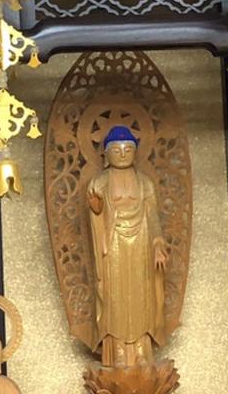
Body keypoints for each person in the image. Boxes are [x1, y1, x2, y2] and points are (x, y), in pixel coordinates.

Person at [86, 125, 170, 368]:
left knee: (142, 297)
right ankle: (119, 351)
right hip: (112, 245)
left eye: (127, 149)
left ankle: (143, 350)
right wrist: (96, 209)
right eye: (116, 149)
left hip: (141, 244)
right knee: (116, 298)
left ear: (135, 152)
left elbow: (152, 216)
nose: (122, 154)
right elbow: (97, 215)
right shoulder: (99, 182)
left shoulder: (145, 183)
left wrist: (157, 243)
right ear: (106, 154)